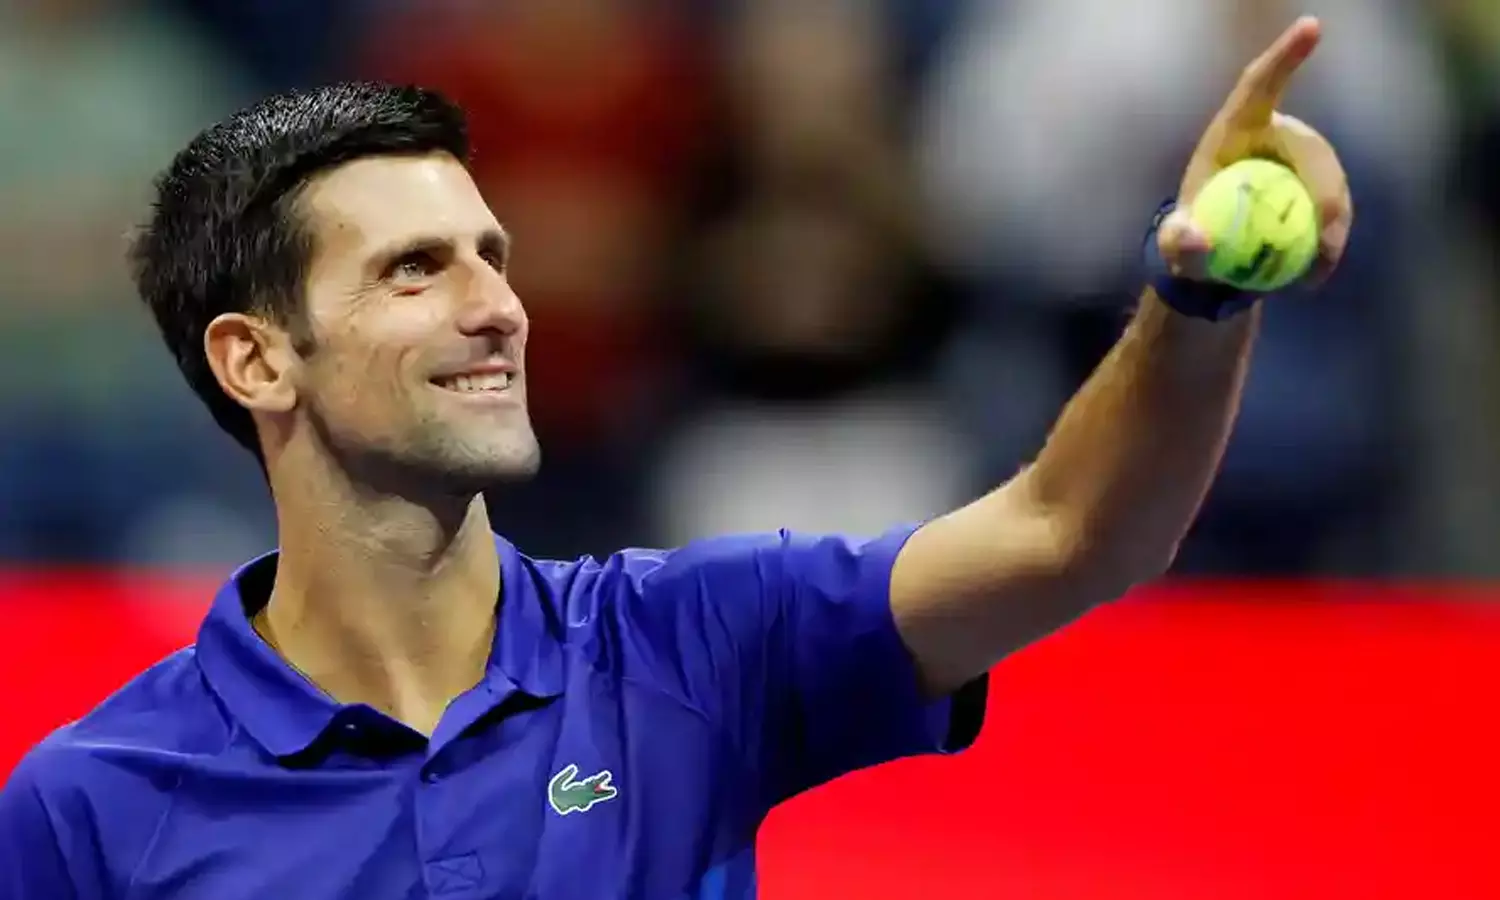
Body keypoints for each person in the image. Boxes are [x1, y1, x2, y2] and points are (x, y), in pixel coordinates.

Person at [0, 18, 1351, 900]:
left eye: (492, 257)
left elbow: (1076, 530)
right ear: (255, 360)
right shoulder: (92, 805)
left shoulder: (688, 641)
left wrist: (1198, 294)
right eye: (415, 269)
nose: (498, 306)